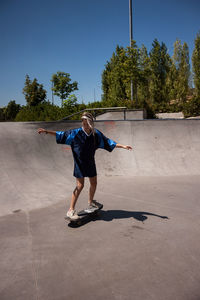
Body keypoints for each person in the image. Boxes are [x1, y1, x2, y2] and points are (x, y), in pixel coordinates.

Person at [38, 112, 132, 219]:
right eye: (83, 122)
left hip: (90, 163)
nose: (84, 124)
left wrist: (123, 146)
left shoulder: (96, 134)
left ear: (91, 123)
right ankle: (71, 210)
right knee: (80, 186)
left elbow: (109, 142)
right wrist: (46, 132)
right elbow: (60, 134)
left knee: (94, 183)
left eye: (86, 122)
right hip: (80, 164)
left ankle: (91, 202)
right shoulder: (75, 133)